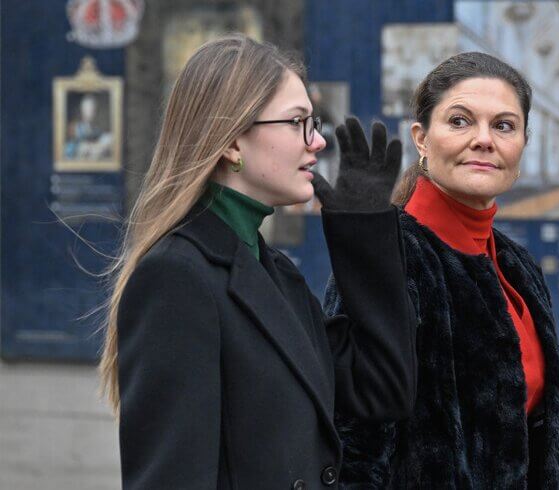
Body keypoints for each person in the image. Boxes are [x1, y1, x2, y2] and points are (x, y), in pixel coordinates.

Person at [98, 34, 417, 489]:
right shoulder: (176, 277)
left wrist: (363, 232)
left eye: (314, 123)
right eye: (297, 122)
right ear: (232, 143)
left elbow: (382, 387)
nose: (318, 143)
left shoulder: (275, 274)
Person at [326, 52, 559, 488]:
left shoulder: (519, 266)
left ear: (522, 144)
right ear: (421, 139)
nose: (484, 139)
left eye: (503, 125)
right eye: (460, 121)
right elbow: (354, 446)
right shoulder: (387, 256)